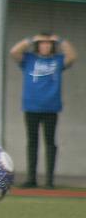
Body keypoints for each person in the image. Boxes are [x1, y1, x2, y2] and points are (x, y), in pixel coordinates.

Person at [10, 32, 77, 188]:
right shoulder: (29, 59)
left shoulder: (57, 60)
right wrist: (32, 39)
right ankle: (31, 178)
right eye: (42, 43)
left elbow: (72, 55)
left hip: (51, 107)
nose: (45, 46)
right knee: (32, 143)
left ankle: (49, 180)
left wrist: (60, 40)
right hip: (31, 107)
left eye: (48, 43)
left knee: (50, 143)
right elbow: (14, 52)